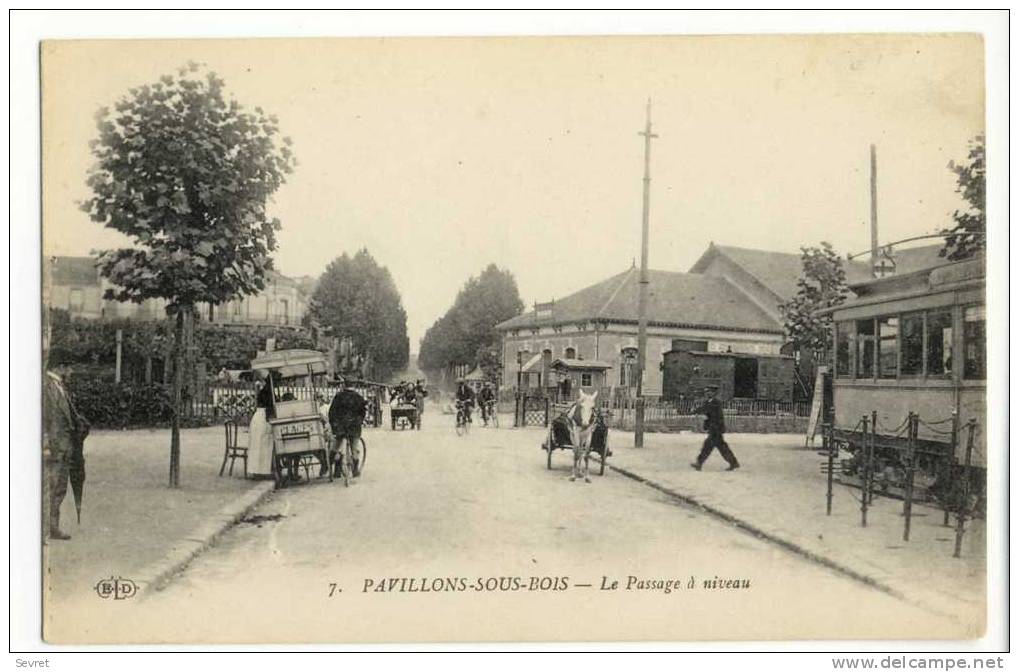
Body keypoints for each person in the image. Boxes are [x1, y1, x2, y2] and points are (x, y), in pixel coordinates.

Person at [43, 369, 89, 541]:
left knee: (59, 488)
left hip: (65, 447)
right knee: (50, 487)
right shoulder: (45, 386)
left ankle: (52, 526)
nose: (71, 371)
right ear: (60, 366)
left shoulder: (60, 386)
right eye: (69, 367)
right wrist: (46, 445)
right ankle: (44, 528)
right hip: (54, 448)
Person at [690, 385, 740, 471]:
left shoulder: (716, 402)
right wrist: (694, 411)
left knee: (708, 446)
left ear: (714, 393)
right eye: (707, 392)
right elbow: (704, 408)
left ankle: (699, 463)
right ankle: (733, 462)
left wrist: (696, 411)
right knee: (722, 447)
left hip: (716, 428)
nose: (708, 393)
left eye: (710, 392)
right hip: (713, 428)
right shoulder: (708, 402)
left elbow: (709, 411)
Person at [328, 376, 368, 477]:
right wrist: (360, 421)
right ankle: (355, 471)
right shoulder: (358, 398)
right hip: (354, 427)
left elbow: (332, 412)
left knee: (337, 446)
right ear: (353, 385)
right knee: (354, 448)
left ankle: (333, 468)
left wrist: (334, 425)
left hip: (340, 427)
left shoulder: (338, 396)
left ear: (344, 385)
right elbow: (363, 413)